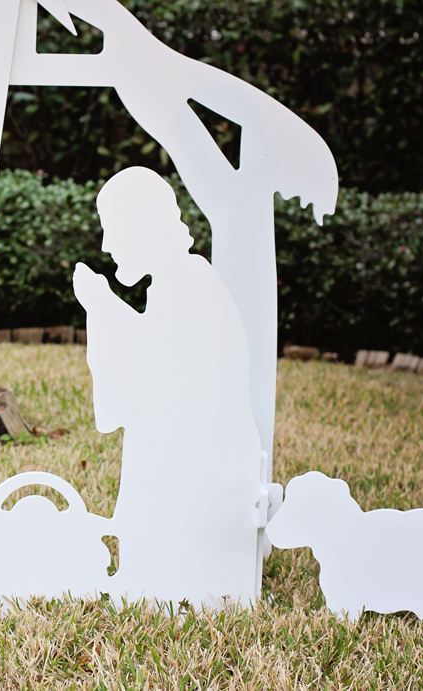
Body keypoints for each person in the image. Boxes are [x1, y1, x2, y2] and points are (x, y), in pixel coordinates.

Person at [73, 167, 263, 606]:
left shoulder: (191, 282)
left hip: (200, 455)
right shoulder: (175, 282)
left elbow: (161, 371)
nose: (105, 246)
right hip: (179, 443)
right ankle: (146, 571)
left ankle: (168, 577)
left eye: (112, 231)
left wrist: (102, 305)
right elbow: (154, 360)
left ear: (141, 228)